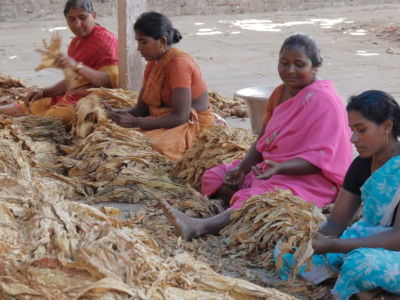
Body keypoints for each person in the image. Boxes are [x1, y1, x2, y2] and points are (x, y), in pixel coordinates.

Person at [160, 33, 353, 241]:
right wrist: (242, 168)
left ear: (315, 67)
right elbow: (264, 139)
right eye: (284, 63)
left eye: (299, 64)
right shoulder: (280, 93)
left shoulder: (325, 101)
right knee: (217, 177)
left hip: (312, 179)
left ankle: (200, 226)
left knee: (259, 200)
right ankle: (233, 215)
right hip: (273, 168)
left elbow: (322, 160)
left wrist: (280, 168)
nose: (290, 71)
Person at [275, 90, 400, 299]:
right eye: (352, 130)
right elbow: (336, 223)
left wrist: (335, 245)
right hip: (366, 242)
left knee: (361, 264)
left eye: (361, 130)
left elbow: (397, 237)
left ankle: (365, 287)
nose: (353, 139)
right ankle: (366, 290)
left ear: (387, 126)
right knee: (288, 251)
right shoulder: (361, 164)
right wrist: (311, 240)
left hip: (391, 248)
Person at [104, 12, 214, 162]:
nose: (138, 48)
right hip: (167, 119)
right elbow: (141, 109)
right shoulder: (152, 64)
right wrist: (115, 114)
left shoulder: (178, 64)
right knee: (110, 135)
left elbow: (180, 117)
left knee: (144, 147)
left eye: (143, 42)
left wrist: (136, 123)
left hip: (191, 124)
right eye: (138, 42)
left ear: (161, 41)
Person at [0, 0, 119, 125]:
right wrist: (44, 92)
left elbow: (109, 82)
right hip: (69, 97)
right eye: (71, 19)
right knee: (29, 105)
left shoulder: (105, 40)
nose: (77, 24)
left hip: (87, 103)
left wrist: (76, 66)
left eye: (82, 18)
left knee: (47, 120)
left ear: (94, 16)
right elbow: (72, 81)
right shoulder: (76, 42)